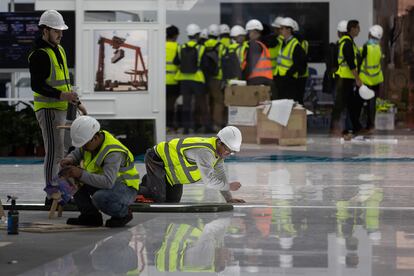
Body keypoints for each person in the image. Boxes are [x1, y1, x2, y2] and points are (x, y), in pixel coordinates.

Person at [28, 10, 79, 205]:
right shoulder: (39, 54)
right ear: (45, 30)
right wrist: (62, 95)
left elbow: (64, 80)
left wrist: (73, 98)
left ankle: (63, 193)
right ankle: (52, 195)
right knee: (54, 152)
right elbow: (37, 85)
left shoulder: (59, 49)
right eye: (57, 31)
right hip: (48, 109)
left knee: (63, 151)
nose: (60, 34)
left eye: (61, 30)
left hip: (63, 107)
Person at [60, 116, 139, 227]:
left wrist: (80, 173)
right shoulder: (89, 142)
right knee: (68, 176)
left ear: (95, 138)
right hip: (104, 183)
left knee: (100, 198)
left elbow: (107, 182)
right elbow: (77, 152)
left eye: (84, 144)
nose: (83, 147)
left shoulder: (113, 152)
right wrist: (70, 159)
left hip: (124, 188)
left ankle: (124, 214)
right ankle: (91, 216)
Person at [137, 126, 246, 203]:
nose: (228, 153)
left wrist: (228, 198)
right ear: (219, 142)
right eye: (227, 149)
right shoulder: (205, 152)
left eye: (232, 152)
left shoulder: (218, 156)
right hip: (158, 159)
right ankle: (131, 190)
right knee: (157, 198)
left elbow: (221, 176)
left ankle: (152, 181)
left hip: (170, 171)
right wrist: (228, 186)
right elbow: (209, 180)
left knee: (172, 201)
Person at [330, 20, 362, 136]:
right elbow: (350, 63)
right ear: (352, 29)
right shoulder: (347, 43)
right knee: (341, 104)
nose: (359, 30)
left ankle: (356, 127)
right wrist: (357, 78)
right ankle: (334, 128)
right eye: (358, 28)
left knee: (350, 104)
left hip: (346, 78)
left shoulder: (348, 42)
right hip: (344, 78)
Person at [175, 23, 207, 135]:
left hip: (184, 80)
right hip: (197, 79)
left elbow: (176, 62)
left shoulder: (181, 47)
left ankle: (186, 128)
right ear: (197, 35)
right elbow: (205, 65)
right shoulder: (201, 48)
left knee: (186, 104)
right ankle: (203, 127)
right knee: (201, 103)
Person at [273, 17, 306, 101]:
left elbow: (299, 64)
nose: (280, 30)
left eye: (282, 28)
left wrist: (288, 74)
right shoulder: (284, 43)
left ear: (289, 30)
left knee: (287, 104)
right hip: (280, 77)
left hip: (289, 80)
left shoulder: (295, 45)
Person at [358, 25, 384, 133]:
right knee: (372, 104)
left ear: (370, 34)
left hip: (365, 80)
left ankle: (359, 125)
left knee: (359, 103)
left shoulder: (365, 47)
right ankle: (371, 126)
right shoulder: (379, 48)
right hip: (376, 80)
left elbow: (360, 59)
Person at [242, 19, 273, 86]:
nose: (248, 35)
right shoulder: (263, 45)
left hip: (255, 80)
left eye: (249, 32)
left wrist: (242, 78)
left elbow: (250, 65)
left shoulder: (254, 45)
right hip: (266, 79)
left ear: (254, 31)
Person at [166, 25, 181, 133]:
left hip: (161, 82)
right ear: (176, 36)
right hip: (174, 81)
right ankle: (170, 125)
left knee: (163, 105)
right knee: (171, 105)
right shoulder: (178, 47)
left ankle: (165, 125)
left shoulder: (160, 46)